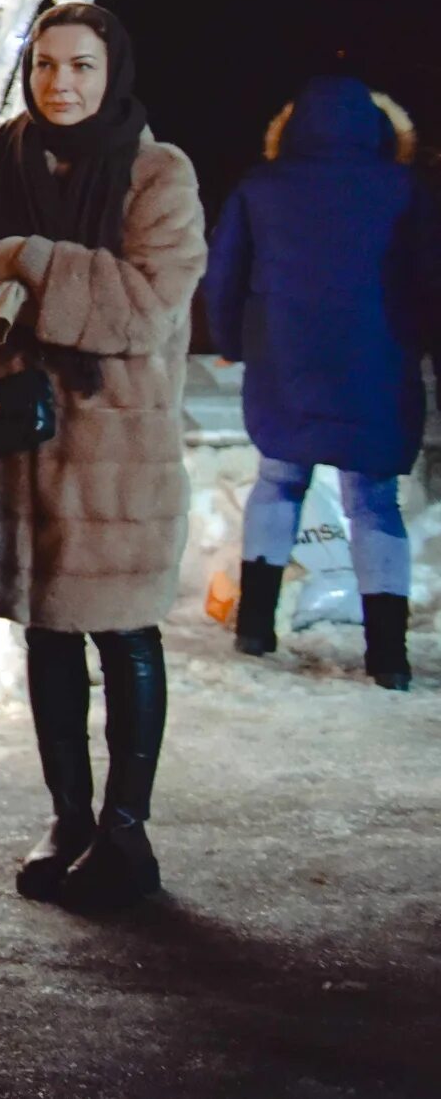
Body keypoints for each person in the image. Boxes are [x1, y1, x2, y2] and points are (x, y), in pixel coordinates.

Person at [0, 2, 204, 910]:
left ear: (110, 71)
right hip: (22, 445)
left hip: (117, 447)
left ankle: (129, 831)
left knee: (122, 628)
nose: (61, 84)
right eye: (46, 66)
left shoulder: (157, 173)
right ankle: (70, 816)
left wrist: (25, 263)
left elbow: (143, 306)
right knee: (46, 629)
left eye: (81, 66)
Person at [204, 75, 432, 690]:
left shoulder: (260, 188)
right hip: (377, 364)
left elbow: (223, 275)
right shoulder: (403, 189)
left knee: (278, 481)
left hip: (285, 358)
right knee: (374, 501)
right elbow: (428, 276)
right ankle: (387, 655)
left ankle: (255, 628)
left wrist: (230, 340)